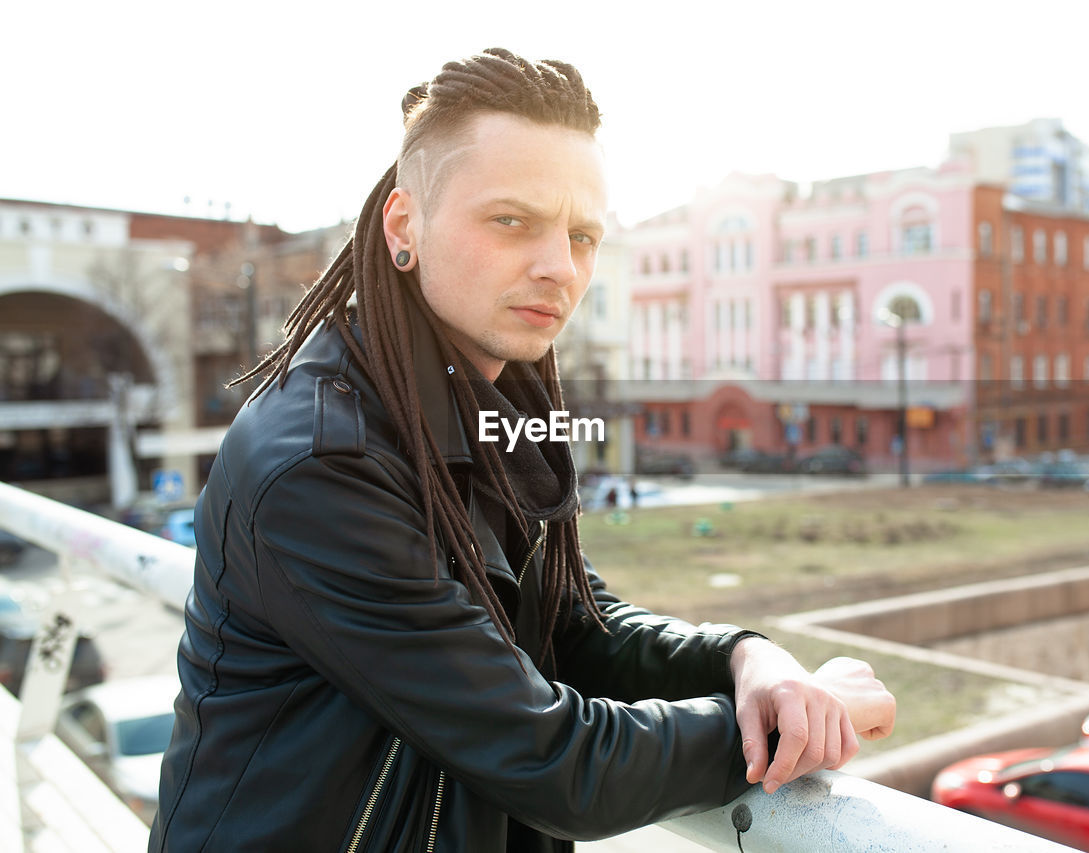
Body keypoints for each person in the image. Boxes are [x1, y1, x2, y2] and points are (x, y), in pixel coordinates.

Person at [150, 48, 895, 852]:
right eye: (512, 221)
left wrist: (750, 661)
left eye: (582, 235)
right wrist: (810, 721)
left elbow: (575, 626)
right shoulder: (320, 462)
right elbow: (553, 761)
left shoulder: (489, 403)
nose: (558, 267)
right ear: (406, 227)